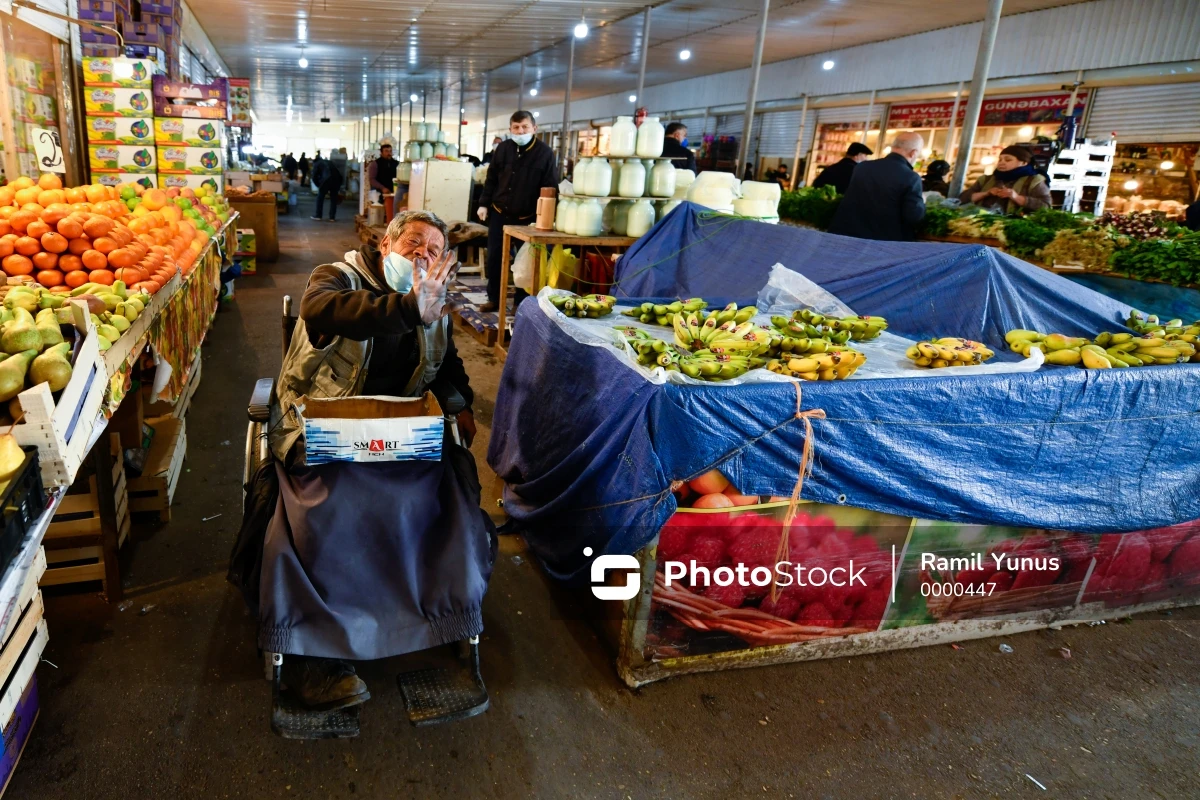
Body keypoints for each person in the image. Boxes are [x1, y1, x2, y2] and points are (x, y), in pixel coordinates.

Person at [257, 210, 489, 711]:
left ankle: (439, 617)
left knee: (447, 491)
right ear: (385, 244)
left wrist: (462, 400)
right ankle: (312, 655)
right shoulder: (335, 279)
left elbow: (445, 361)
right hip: (322, 432)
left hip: (399, 433)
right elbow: (322, 310)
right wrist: (406, 309)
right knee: (332, 505)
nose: (422, 254)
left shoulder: (433, 301)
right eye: (412, 242)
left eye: (433, 249)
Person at [477, 110, 560, 312]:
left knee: (527, 263)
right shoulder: (503, 149)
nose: (520, 131)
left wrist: (549, 217)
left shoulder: (545, 154)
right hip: (499, 213)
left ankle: (521, 302)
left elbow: (550, 186)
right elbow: (492, 179)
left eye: (524, 127)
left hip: (528, 218)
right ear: (510, 129)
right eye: (516, 127)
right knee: (495, 257)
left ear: (534, 128)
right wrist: (483, 203)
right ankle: (494, 298)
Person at [828, 131, 926, 242]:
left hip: (845, 236)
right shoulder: (911, 177)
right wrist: (922, 201)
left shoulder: (862, 167)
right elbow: (913, 216)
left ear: (893, 147)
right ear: (913, 153)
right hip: (880, 243)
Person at [959, 145, 1051, 213]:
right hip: (979, 224)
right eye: (1000, 160)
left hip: (1013, 228)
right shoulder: (986, 180)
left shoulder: (1034, 181)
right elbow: (962, 199)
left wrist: (1016, 197)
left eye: (1008, 160)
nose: (1001, 163)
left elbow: (1046, 206)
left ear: (1023, 163)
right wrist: (986, 193)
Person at [313, 147, 348, 222]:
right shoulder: (329, 162)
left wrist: (319, 186)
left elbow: (314, 177)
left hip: (326, 179)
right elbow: (338, 173)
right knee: (333, 199)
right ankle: (332, 217)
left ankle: (318, 215)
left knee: (320, 197)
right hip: (337, 180)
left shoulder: (317, 164)